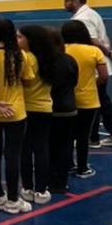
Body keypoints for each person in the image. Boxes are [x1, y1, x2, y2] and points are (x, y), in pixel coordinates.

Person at [63, 0, 112, 147]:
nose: (64, 4)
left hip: (93, 67)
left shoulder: (83, 18)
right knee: (98, 103)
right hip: (97, 63)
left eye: (67, 1)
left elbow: (93, 40)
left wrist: (107, 52)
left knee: (99, 103)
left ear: (76, 1)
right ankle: (97, 137)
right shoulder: (91, 14)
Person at [0, 18, 31, 213]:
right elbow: (28, 81)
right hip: (16, 112)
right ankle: (13, 199)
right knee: (13, 155)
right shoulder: (20, 55)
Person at [62, 20, 108, 179]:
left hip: (67, 99)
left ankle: (68, 164)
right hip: (89, 99)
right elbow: (103, 76)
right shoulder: (94, 51)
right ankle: (82, 168)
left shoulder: (61, 50)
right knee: (83, 136)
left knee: (67, 135)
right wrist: (91, 83)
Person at [18, 25, 55, 204]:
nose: (17, 41)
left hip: (26, 108)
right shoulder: (49, 58)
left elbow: (24, 81)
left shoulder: (26, 58)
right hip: (45, 108)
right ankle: (41, 189)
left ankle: (27, 188)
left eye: (20, 37)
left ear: (30, 40)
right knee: (41, 148)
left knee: (25, 149)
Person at [48, 28, 79, 194]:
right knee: (66, 146)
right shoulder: (70, 60)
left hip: (51, 109)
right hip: (69, 108)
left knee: (50, 145)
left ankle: (50, 180)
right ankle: (62, 182)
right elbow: (75, 81)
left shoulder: (44, 62)